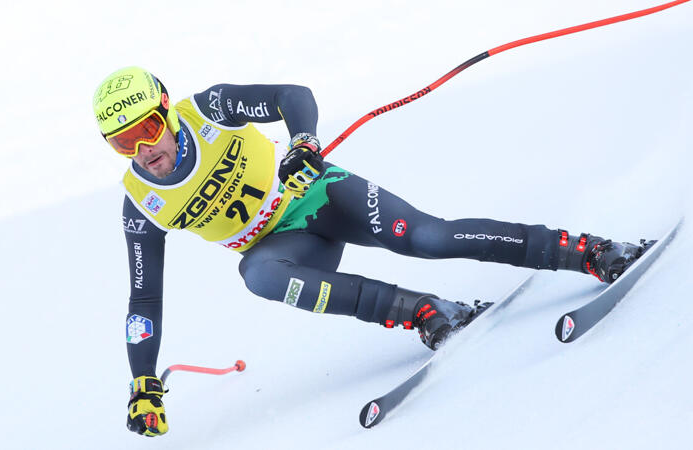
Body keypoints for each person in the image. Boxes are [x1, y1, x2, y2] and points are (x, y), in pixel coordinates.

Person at [93, 66, 650, 437]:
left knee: (427, 237)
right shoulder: (141, 202)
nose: (143, 150)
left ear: (166, 111)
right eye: (123, 142)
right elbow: (144, 299)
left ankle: (590, 251)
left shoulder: (207, 109)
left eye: (148, 128)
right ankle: (426, 312)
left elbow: (292, 97)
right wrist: (143, 382)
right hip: (290, 246)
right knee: (257, 274)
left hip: (322, 195)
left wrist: (303, 143)